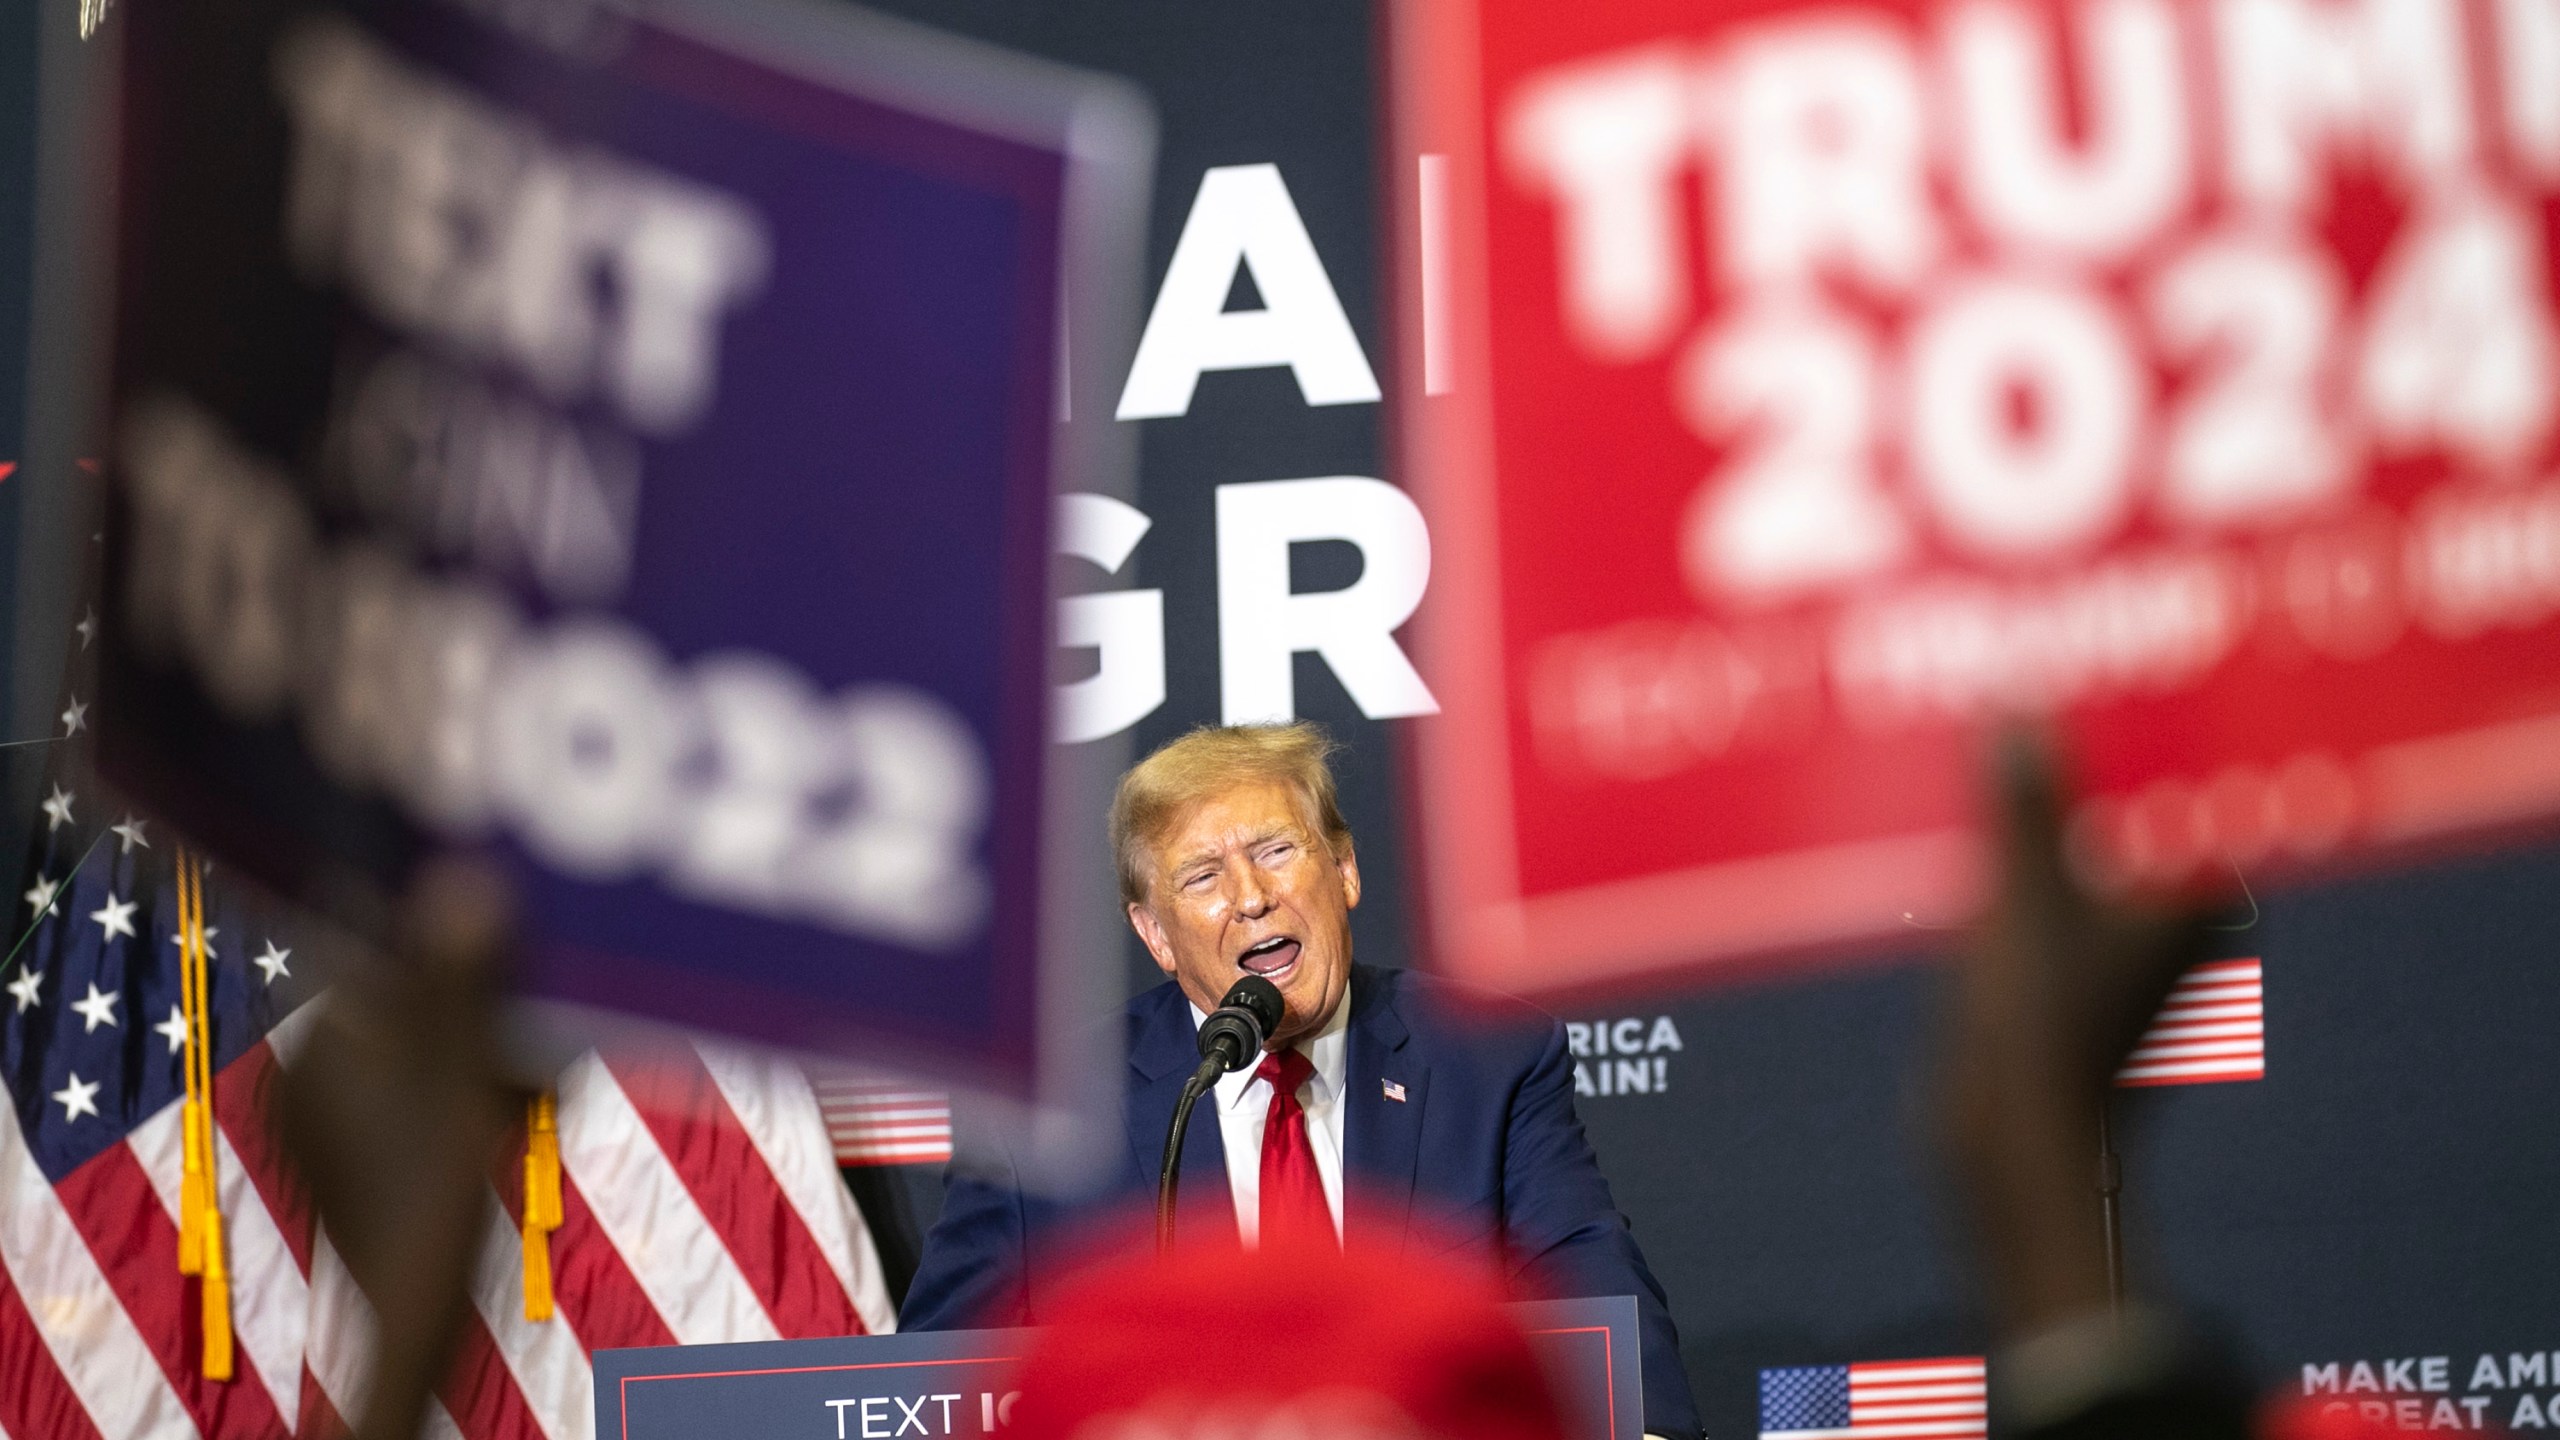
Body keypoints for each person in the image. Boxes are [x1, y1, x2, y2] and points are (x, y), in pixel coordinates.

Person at [903, 722, 1703, 1440]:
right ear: (1157, 936)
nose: (1252, 896)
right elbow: (935, 1392)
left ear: (1345, 870)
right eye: (1202, 876)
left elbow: (1600, 1325)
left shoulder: (1487, 1061)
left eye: (1277, 851)